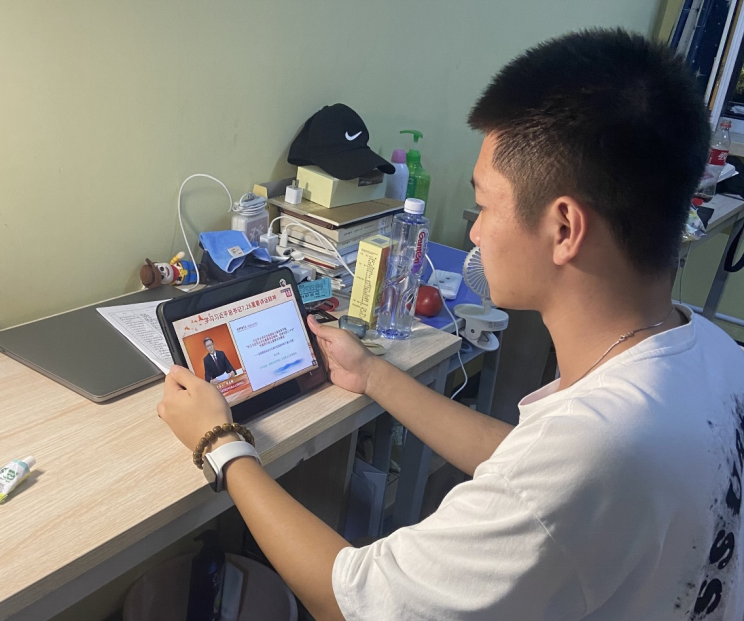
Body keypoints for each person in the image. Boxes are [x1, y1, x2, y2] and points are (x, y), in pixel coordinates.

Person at [158, 29, 744, 620]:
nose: (475, 231)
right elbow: (525, 461)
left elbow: (347, 598)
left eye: (485, 205)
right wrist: (374, 376)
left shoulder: (593, 450)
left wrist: (221, 443)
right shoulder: (714, 356)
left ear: (565, 228)